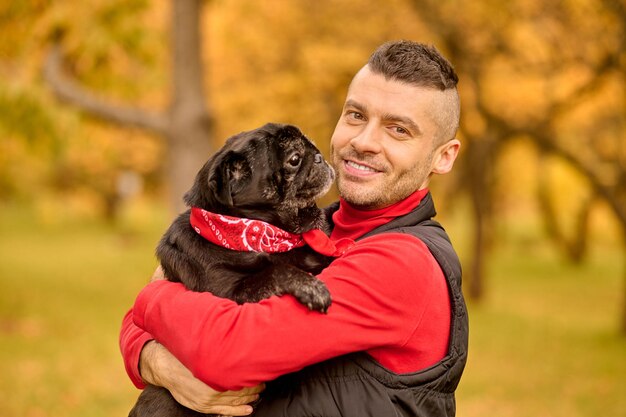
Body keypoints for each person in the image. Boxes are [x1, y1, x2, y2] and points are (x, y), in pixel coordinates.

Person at [120, 40, 468, 417]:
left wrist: (153, 297)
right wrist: (158, 363)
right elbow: (152, 329)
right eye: (355, 115)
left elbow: (230, 353)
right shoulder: (300, 229)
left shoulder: (403, 262)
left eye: (398, 129)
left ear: (443, 156)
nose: (365, 141)